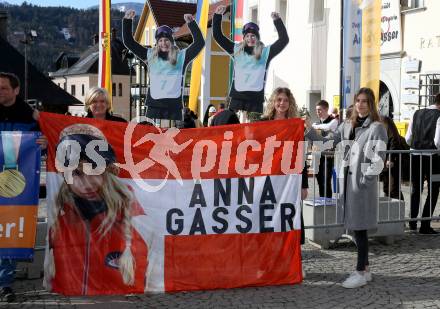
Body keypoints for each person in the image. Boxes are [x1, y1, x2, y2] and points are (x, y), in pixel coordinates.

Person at [45, 124, 148, 295]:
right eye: (77, 174)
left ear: (107, 171)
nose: (87, 183)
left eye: (95, 170)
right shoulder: (60, 222)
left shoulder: (133, 217)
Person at [305, 87, 387, 289]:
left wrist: (364, 182)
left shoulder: (376, 128)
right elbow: (327, 144)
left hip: (360, 187)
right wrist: (308, 131)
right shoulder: (346, 125)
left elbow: (378, 161)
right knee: (357, 228)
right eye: (358, 100)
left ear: (371, 104)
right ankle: (366, 270)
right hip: (346, 186)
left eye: (365, 101)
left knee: (360, 230)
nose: (360, 104)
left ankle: (359, 272)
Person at [0, 72, 47, 302]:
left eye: (3, 88)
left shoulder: (31, 117)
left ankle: (5, 284)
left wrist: (44, 143)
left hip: (15, 188)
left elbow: (47, 141)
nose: (0, 92)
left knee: (8, 232)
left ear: (16, 90)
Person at [122, 10, 204, 122]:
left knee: (173, 138)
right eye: (160, 40)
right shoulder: (150, 56)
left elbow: (199, 43)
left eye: (166, 40)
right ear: (157, 42)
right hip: (154, 106)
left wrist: (191, 23)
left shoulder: (181, 57)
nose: (163, 43)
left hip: (173, 107)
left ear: (171, 41)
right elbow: (129, 42)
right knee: (152, 137)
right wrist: (127, 21)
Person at [213, 5, 289, 117]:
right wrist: (217, 16)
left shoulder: (265, 52)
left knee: (254, 131)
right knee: (233, 127)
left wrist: (277, 21)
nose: (250, 38)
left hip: (255, 98)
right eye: (247, 36)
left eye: (253, 36)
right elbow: (218, 36)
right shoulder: (237, 50)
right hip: (237, 97)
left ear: (257, 37)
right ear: (244, 38)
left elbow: (283, 40)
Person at [260, 87, 308, 245]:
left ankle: (294, 263)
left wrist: (304, 184)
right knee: (269, 219)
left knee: (289, 217)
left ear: (290, 103)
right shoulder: (262, 123)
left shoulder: (295, 125)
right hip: (268, 179)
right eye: (279, 99)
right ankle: (270, 263)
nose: (282, 103)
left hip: (290, 180)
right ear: (273, 102)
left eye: (285, 100)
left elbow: (300, 155)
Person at [405, 93, 440, 234]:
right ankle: (425, 224)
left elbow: (408, 138)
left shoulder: (416, 113)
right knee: (434, 190)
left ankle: (413, 223)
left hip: (415, 154)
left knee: (416, 189)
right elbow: (438, 142)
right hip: (433, 157)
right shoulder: (439, 116)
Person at [312, 100, 338, 198]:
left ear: (326, 109)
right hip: (318, 155)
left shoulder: (333, 121)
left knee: (326, 180)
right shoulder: (316, 123)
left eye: (320, 110)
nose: (318, 112)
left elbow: (329, 131)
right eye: (316, 110)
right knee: (319, 181)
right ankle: (322, 202)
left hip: (328, 155)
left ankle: (327, 205)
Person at [379, 116, 405, 200]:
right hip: (383, 161)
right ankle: (388, 211)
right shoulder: (373, 121)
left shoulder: (384, 120)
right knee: (386, 188)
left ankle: (399, 211)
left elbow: (394, 139)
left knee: (393, 189)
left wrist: (391, 158)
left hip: (391, 160)